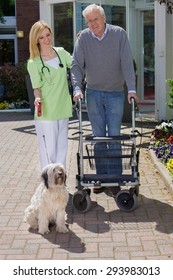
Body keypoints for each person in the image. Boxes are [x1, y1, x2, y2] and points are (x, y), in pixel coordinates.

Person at [70, 4, 138, 190]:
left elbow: (126, 63)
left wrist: (131, 88)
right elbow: (76, 65)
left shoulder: (119, 34)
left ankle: (115, 179)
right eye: (89, 21)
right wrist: (77, 88)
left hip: (116, 93)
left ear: (104, 18)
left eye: (95, 20)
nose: (92, 24)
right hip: (93, 93)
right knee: (98, 136)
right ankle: (100, 178)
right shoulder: (83, 38)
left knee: (115, 136)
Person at [27, 20, 72, 170]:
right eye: (41, 37)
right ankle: (48, 185)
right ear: (36, 40)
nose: (46, 40)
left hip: (63, 108)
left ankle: (61, 184)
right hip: (46, 112)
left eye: (48, 35)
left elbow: (76, 64)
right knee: (49, 151)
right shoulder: (34, 62)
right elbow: (36, 87)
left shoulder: (61, 53)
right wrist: (37, 98)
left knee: (62, 149)